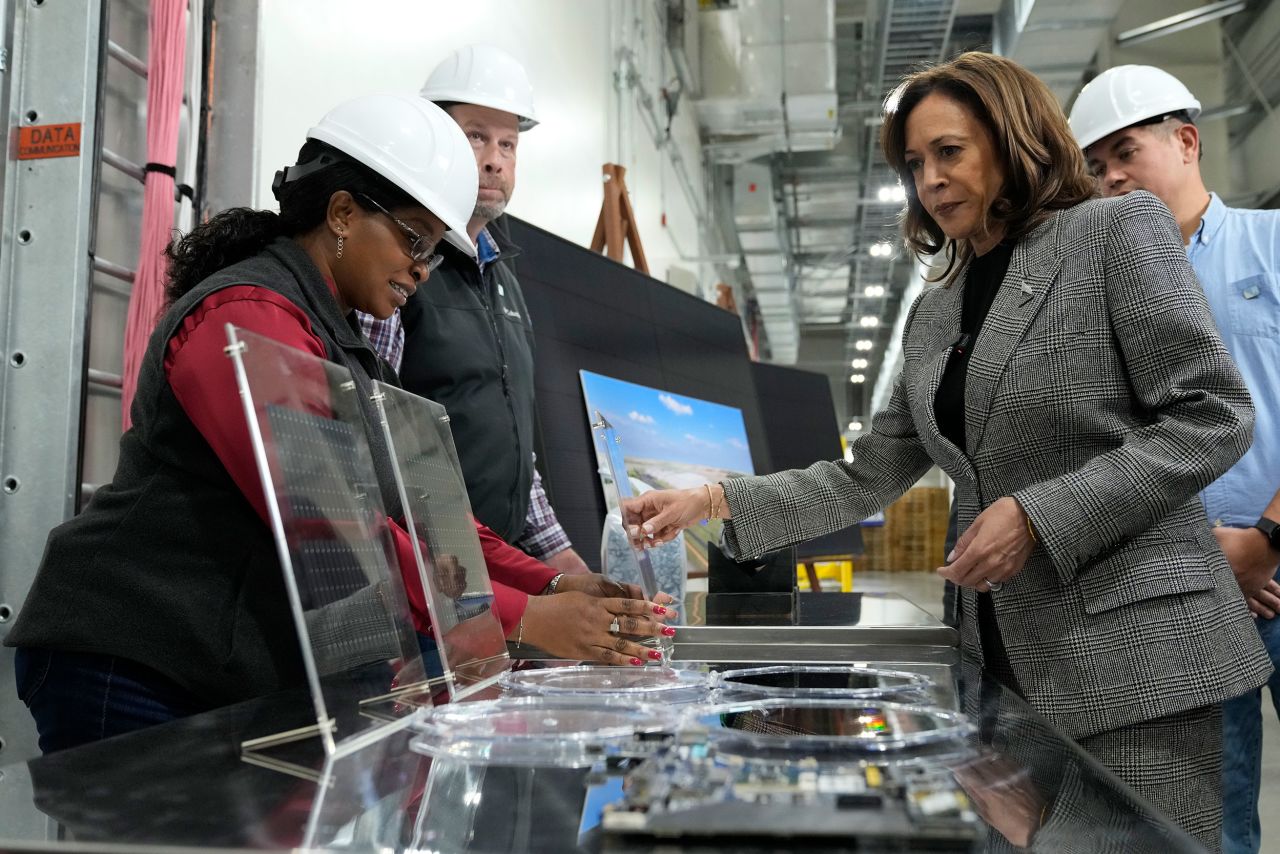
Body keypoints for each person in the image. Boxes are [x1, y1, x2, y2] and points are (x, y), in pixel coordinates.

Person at [622, 51, 1271, 848]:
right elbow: (871, 470)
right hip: (1001, 664)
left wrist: (1038, 516)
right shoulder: (939, 306)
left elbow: (1212, 413)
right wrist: (715, 500)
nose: (928, 179)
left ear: (1011, 138)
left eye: (949, 152)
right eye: (913, 163)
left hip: (1137, 665)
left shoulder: (1114, 230)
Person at [7, 94, 674, 755]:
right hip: (132, 656)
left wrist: (552, 582)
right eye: (414, 239)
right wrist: (526, 618)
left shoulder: (339, 342)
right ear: (343, 212)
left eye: (435, 251)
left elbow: (426, 513)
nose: (421, 267)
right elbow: (331, 522)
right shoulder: (246, 316)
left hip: (211, 665)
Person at [1070, 64, 1280, 854]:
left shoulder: (1275, 246)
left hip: (1276, 555)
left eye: (1124, 153)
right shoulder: (1097, 296)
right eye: (1095, 168)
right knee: (1210, 821)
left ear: (1186, 141)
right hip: (1179, 583)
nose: (1111, 178)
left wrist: (1265, 541)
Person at [358, 45, 589, 575]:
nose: (494, 159)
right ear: (436, 141)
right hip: (421, 566)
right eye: (476, 136)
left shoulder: (504, 279)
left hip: (490, 565)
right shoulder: (402, 264)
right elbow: (371, 425)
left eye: (508, 143)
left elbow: (516, 450)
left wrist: (569, 568)